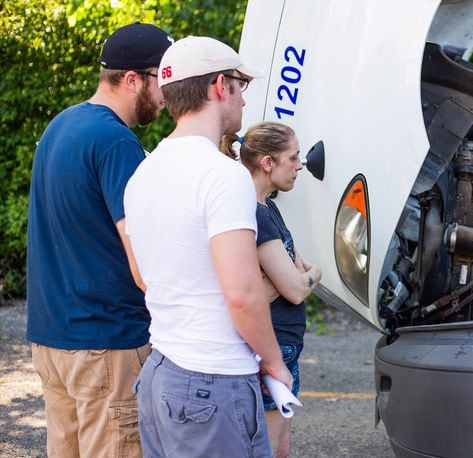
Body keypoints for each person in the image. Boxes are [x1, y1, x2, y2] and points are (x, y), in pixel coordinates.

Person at [123, 36, 293, 457]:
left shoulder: (143, 172)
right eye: (241, 85)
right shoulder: (223, 175)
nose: (244, 100)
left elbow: (143, 277)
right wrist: (274, 363)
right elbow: (241, 292)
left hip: (162, 372)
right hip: (213, 380)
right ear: (221, 85)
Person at [26, 22, 172, 457]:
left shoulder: (60, 126)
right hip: (108, 343)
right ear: (132, 79)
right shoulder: (116, 143)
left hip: (53, 339)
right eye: (161, 79)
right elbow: (142, 258)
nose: (167, 95)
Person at [221, 122, 322, 457]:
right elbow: (295, 286)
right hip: (275, 344)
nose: (300, 165)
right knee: (269, 448)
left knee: (281, 445)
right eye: (292, 158)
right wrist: (314, 274)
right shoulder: (256, 213)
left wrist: (292, 276)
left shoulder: (269, 207)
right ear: (267, 163)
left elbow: (293, 270)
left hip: (285, 343)